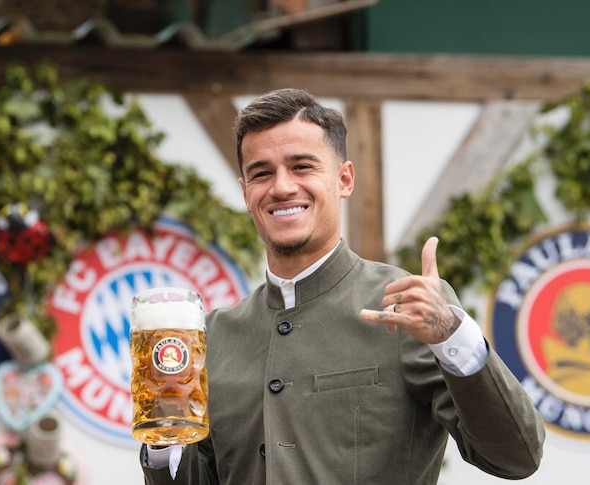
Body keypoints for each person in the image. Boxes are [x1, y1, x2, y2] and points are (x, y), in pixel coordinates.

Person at [139, 88, 545, 484]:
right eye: (261, 173)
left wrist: (452, 337)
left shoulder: (407, 307)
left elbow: (516, 458)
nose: (281, 187)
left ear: (345, 179)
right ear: (246, 193)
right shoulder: (215, 336)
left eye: (302, 167)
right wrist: (161, 439)